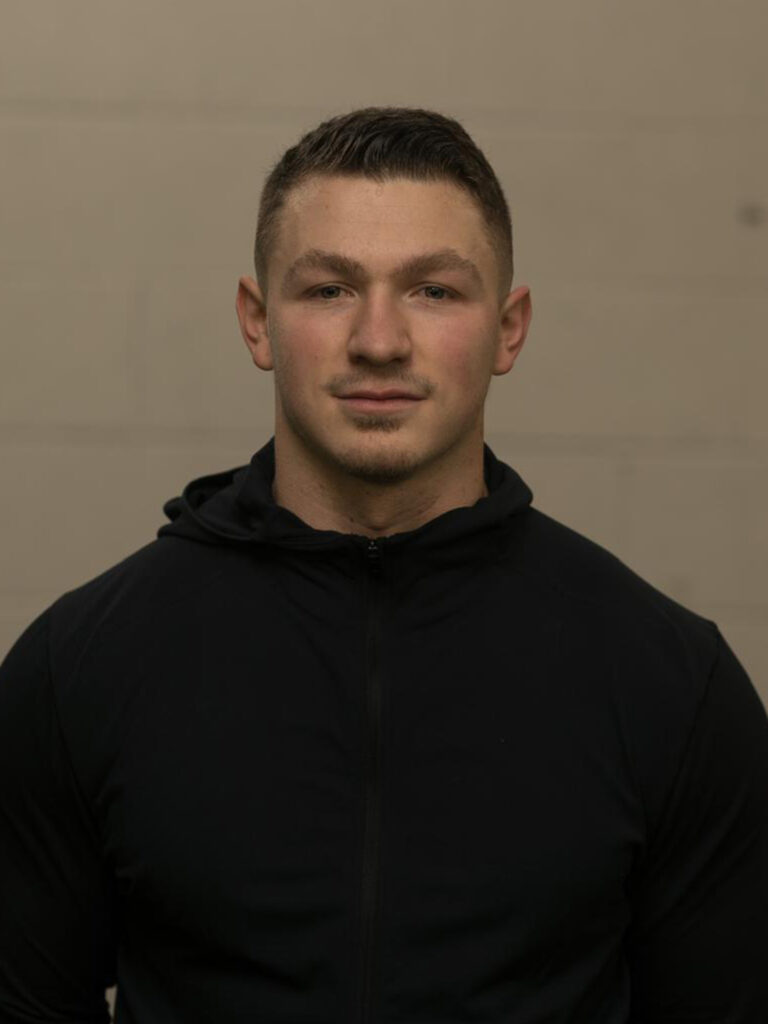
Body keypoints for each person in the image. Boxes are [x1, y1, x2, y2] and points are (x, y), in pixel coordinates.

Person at [0, 106, 766, 1024]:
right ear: (257, 322)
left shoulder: (670, 685)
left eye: (434, 291)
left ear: (509, 328)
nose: (378, 340)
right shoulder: (82, 669)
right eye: (329, 289)